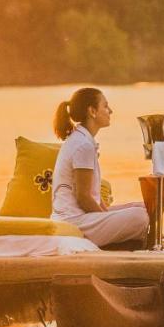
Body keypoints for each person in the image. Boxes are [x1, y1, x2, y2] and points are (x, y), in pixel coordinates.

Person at [51, 87, 149, 249]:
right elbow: (83, 198)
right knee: (140, 217)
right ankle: (117, 245)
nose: (110, 111)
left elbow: (94, 196)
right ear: (92, 111)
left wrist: (109, 217)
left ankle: (128, 242)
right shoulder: (82, 145)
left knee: (145, 207)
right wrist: (107, 219)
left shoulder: (83, 140)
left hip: (85, 219)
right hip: (75, 222)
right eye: (105, 106)